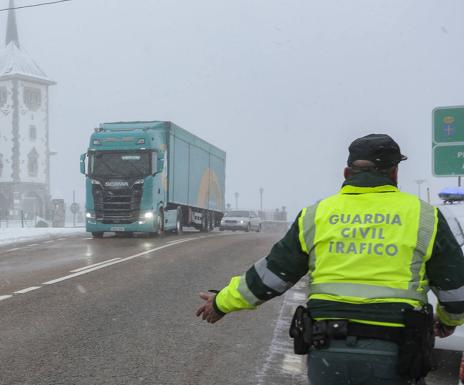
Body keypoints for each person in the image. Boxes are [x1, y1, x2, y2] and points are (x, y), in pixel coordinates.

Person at [196, 134, 464, 385]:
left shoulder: (316, 215)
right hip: (396, 352)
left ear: (347, 173)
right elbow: (456, 290)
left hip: (328, 350)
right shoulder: (424, 217)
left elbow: (272, 275)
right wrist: (447, 321)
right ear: (394, 173)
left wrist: (221, 303)